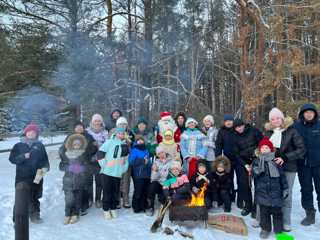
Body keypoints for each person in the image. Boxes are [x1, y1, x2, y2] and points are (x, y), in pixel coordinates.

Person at [264, 107, 305, 231]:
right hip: (272, 167)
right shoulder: (268, 132)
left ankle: (286, 221)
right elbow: (263, 147)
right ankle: (270, 219)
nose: (275, 121)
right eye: (272, 119)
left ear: (282, 118)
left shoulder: (292, 131)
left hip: (288, 167)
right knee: (271, 192)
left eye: (277, 118)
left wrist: (285, 157)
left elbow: (301, 149)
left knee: (286, 193)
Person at [9, 122, 50, 224]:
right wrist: (23, 157)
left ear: (36, 134)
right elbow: (12, 159)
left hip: (37, 175)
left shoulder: (40, 145)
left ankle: (35, 216)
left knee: (34, 197)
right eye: (29, 132)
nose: (31, 134)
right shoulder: (18, 145)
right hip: (22, 177)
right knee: (21, 198)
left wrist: (45, 168)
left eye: (34, 132)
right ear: (25, 133)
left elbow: (45, 160)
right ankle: (18, 220)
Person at [252, 137, 289, 239]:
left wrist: (285, 188)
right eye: (262, 148)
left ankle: (278, 230)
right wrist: (258, 170)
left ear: (271, 150)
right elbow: (254, 174)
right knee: (264, 214)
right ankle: (265, 229)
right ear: (260, 150)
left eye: (267, 148)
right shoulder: (256, 161)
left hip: (276, 193)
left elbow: (282, 176)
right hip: (262, 193)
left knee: (277, 213)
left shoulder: (276, 161)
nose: (264, 149)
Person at [294, 103, 320, 226]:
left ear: (315, 113)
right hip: (303, 164)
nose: (309, 114)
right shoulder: (296, 127)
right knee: (306, 189)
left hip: (318, 164)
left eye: (311, 112)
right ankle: (310, 213)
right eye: (306, 112)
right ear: (302, 114)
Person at [97, 127, 130, 220]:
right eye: (119, 133)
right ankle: (106, 209)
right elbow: (100, 153)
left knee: (115, 192)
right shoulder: (109, 142)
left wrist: (123, 168)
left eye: (123, 134)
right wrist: (104, 164)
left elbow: (125, 159)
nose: (121, 135)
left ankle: (113, 207)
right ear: (116, 134)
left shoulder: (125, 145)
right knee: (107, 191)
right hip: (107, 172)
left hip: (117, 173)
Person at [65, 121, 97, 215]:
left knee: (86, 185)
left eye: (81, 127)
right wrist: (66, 159)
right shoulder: (70, 137)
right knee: (74, 186)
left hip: (86, 163)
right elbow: (64, 149)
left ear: (83, 128)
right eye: (77, 127)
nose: (79, 128)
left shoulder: (88, 136)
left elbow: (94, 148)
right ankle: (74, 206)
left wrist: (89, 154)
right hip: (73, 163)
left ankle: (86, 203)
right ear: (74, 128)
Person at [233, 118, 263, 216]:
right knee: (244, 185)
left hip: (257, 159)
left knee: (258, 185)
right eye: (236, 127)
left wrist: (256, 156)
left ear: (244, 125)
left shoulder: (253, 130)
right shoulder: (235, 137)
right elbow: (236, 154)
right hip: (243, 162)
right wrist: (245, 164)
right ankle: (248, 206)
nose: (239, 129)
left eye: (240, 126)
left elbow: (262, 143)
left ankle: (256, 207)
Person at [59, 134, 90, 224]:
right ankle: (67, 214)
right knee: (68, 199)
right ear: (71, 144)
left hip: (79, 181)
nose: (76, 146)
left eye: (78, 144)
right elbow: (61, 166)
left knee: (77, 198)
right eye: (75, 144)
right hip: (68, 181)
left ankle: (75, 214)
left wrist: (82, 168)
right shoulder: (66, 154)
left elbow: (87, 166)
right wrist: (69, 167)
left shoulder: (83, 154)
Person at [86, 114, 109, 209]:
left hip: (101, 160)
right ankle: (90, 198)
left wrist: (99, 145)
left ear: (101, 122)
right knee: (89, 181)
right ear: (92, 122)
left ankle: (98, 199)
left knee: (99, 181)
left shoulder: (105, 132)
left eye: (99, 121)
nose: (97, 122)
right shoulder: (87, 132)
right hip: (89, 160)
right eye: (95, 121)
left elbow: (108, 145)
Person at [215, 114, 237, 204]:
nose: (228, 122)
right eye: (226, 121)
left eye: (230, 121)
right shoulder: (221, 131)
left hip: (239, 158)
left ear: (233, 121)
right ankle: (229, 196)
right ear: (224, 122)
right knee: (229, 178)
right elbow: (219, 145)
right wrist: (219, 158)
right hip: (228, 159)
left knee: (240, 179)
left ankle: (239, 198)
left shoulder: (236, 129)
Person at [147, 146, 172, 216]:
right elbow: (153, 178)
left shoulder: (171, 162)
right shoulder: (156, 163)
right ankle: (150, 207)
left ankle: (167, 203)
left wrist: (167, 181)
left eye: (162, 152)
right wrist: (155, 170)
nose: (161, 155)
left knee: (163, 200)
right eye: (159, 154)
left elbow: (173, 176)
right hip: (159, 183)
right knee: (152, 185)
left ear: (165, 152)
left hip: (168, 184)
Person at [129, 137, 152, 213]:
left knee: (145, 191)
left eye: (142, 142)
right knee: (138, 191)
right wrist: (142, 161)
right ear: (136, 142)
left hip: (147, 173)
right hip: (138, 174)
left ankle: (143, 206)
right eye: (139, 142)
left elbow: (149, 160)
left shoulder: (146, 150)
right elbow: (131, 161)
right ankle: (136, 206)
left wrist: (148, 162)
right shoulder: (134, 150)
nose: (141, 143)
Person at [116, 116, 135, 208]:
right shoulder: (114, 133)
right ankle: (117, 199)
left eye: (124, 124)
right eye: (121, 124)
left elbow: (134, 145)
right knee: (118, 180)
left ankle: (126, 198)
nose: (123, 125)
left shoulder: (130, 133)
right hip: (117, 161)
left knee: (126, 180)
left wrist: (129, 141)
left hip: (127, 160)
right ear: (117, 125)